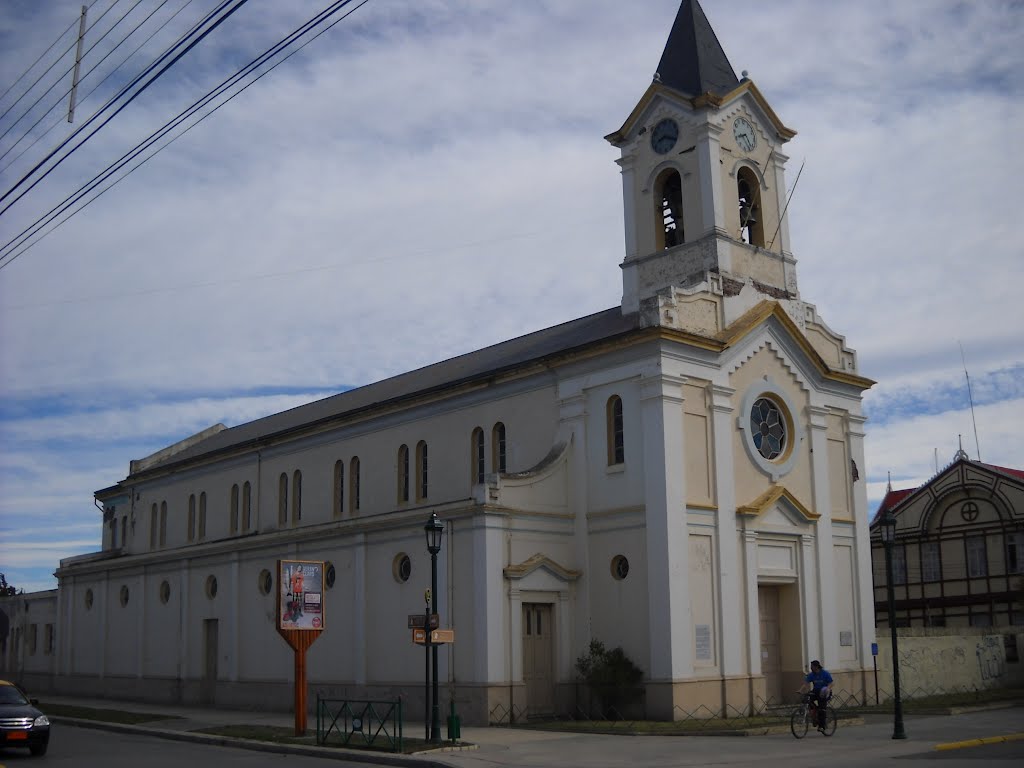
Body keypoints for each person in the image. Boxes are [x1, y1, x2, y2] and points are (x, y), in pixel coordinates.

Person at [799, 660, 833, 732]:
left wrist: (828, 688)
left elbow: (831, 682)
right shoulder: (812, 674)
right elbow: (806, 683)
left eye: (812, 667)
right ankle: (814, 713)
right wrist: (800, 690)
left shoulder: (825, 673)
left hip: (824, 692)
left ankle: (822, 726)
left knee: (822, 708)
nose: (811, 668)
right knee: (806, 699)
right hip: (816, 691)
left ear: (816, 667)